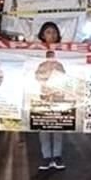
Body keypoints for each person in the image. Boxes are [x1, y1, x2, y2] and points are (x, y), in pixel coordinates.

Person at [36, 21, 67, 171]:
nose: (52, 35)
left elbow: (64, 75)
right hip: (43, 96)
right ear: (42, 35)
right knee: (44, 126)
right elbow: (36, 75)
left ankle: (57, 156)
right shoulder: (36, 53)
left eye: (54, 32)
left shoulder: (63, 53)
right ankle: (46, 156)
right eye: (48, 32)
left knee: (58, 126)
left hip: (58, 96)